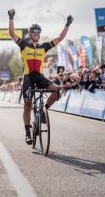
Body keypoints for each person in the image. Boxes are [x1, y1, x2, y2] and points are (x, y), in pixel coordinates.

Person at [8, 9, 73, 145]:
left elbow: (60, 38)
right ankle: (27, 132)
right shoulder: (24, 45)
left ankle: (44, 110)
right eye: (35, 32)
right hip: (28, 78)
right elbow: (12, 34)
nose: (37, 34)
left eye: (39, 32)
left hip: (40, 77)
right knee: (27, 105)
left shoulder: (44, 47)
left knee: (56, 90)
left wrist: (67, 24)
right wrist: (11, 17)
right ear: (30, 34)